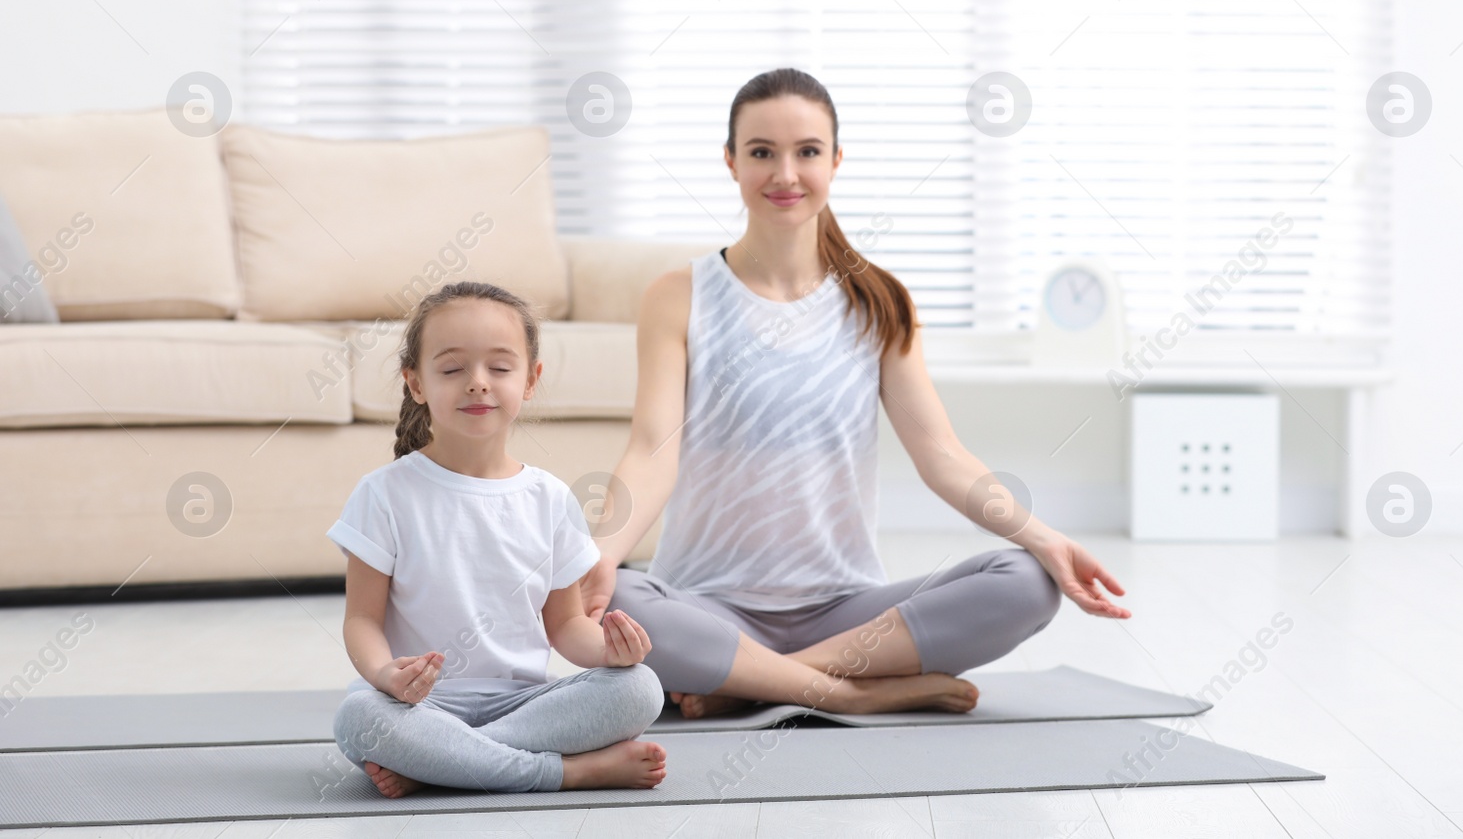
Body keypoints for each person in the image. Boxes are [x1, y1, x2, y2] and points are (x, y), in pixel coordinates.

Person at [579, 67, 1132, 721]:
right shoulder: (678, 295)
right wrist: (601, 556)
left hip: (847, 614)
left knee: (1031, 582)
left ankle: (764, 682)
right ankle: (852, 691)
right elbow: (652, 449)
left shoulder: (880, 301)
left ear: (835, 160)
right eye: (762, 152)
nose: (785, 173)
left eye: (807, 151)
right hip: (709, 608)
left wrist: (1046, 538)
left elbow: (943, 457)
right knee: (621, 601)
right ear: (731, 162)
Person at [327, 281, 667, 798]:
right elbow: (362, 620)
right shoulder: (384, 494)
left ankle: (444, 762)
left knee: (640, 688)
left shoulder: (550, 498)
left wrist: (610, 652)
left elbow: (568, 627)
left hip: (524, 703)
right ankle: (568, 773)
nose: (478, 384)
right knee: (360, 716)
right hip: (420, 704)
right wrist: (384, 673)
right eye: (452, 368)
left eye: (500, 368)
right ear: (415, 382)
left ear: (530, 380)